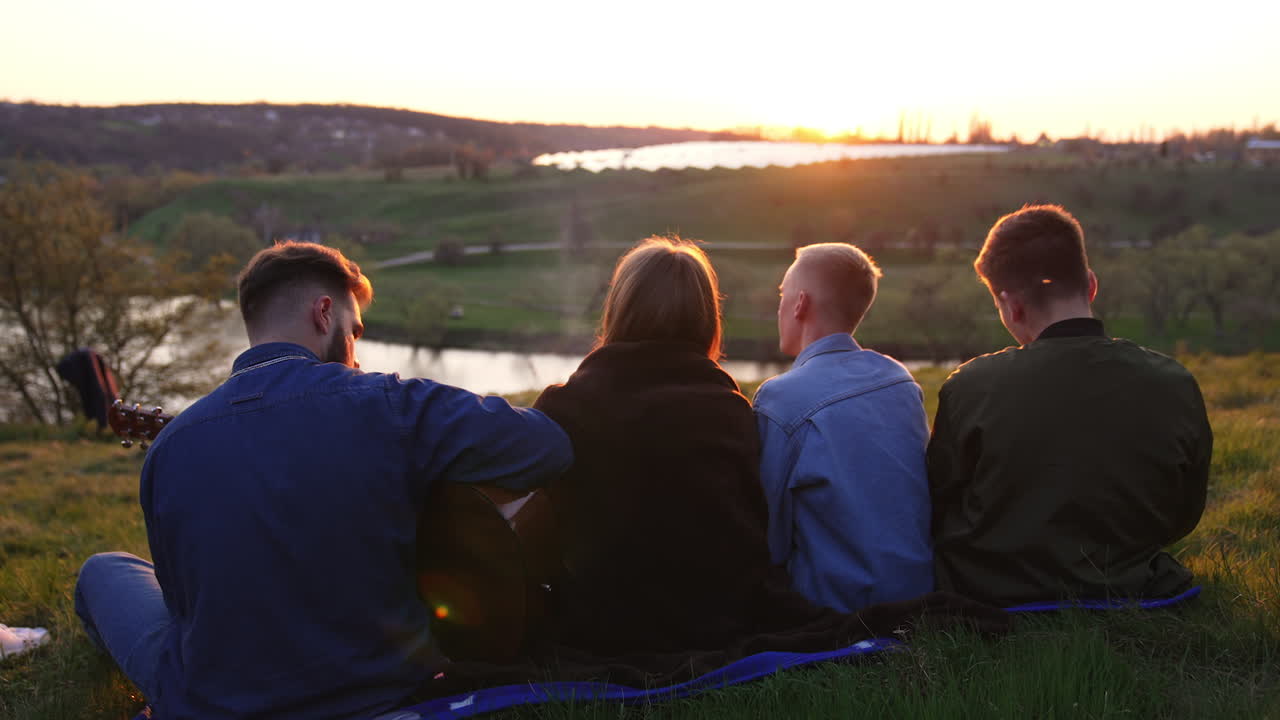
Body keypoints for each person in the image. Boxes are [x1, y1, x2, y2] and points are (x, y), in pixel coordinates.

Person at [74, 241, 572, 719]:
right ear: (324, 313)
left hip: (213, 701)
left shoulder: (169, 446)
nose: (355, 353)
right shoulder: (392, 403)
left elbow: (183, 610)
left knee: (104, 571)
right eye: (354, 332)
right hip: (376, 687)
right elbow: (546, 444)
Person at [531, 236, 821, 655]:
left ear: (620, 309)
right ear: (707, 318)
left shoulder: (565, 406)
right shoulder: (729, 408)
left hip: (604, 624)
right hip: (718, 617)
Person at [928, 205, 1212, 607]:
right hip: (1132, 585)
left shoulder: (971, 386)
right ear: (1091, 285)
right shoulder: (1175, 381)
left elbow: (939, 503)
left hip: (989, 590)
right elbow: (1185, 510)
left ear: (1012, 305)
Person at [753, 243, 933, 613]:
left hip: (839, 606)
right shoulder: (899, 379)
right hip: (918, 591)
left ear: (800, 303)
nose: (780, 308)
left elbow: (769, 539)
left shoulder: (780, 399)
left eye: (782, 296)